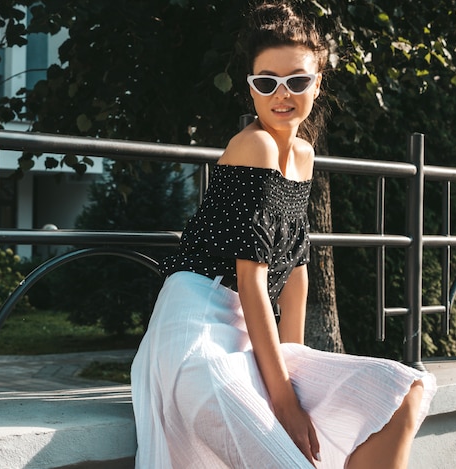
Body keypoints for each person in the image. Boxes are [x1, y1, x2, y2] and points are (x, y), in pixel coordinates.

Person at [130, 2, 436, 468]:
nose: (282, 94)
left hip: (249, 333)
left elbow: (294, 275)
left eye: (297, 80)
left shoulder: (304, 155)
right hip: (197, 329)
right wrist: (285, 401)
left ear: (318, 83)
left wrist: (295, 369)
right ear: (250, 88)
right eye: (265, 82)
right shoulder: (253, 145)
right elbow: (252, 281)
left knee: (404, 393)